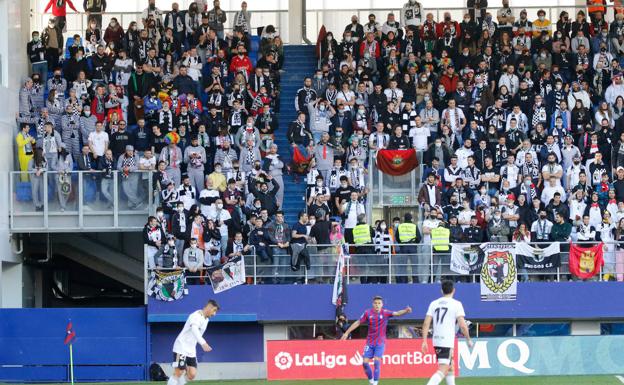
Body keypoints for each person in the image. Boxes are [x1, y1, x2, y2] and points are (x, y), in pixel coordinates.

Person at [340, 296, 412, 385]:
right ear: (372, 304)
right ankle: (371, 381)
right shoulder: (367, 313)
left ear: (382, 304)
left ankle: (375, 383)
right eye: (375, 303)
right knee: (365, 363)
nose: (377, 305)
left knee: (376, 362)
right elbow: (358, 322)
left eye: (379, 303)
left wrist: (405, 310)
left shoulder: (385, 313)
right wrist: (346, 333)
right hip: (370, 343)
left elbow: (397, 313)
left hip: (380, 342)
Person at [421, 280, 473, 385]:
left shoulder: (434, 303)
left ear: (441, 291)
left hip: (436, 340)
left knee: (450, 366)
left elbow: (426, 323)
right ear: (454, 290)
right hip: (446, 341)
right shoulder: (456, 304)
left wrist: (424, 341)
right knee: (443, 368)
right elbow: (462, 325)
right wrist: (468, 339)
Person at [168, 300, 220, 385]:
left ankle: (180, 377)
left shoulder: (206, 320)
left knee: (192, 374)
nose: (214, 314)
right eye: (214, 310)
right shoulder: (195, 316)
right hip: (181, 347)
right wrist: (203, 343)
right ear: (209, 307)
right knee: (179, 372)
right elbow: (194, 329)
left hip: (191, 350)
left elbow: (197, 335)